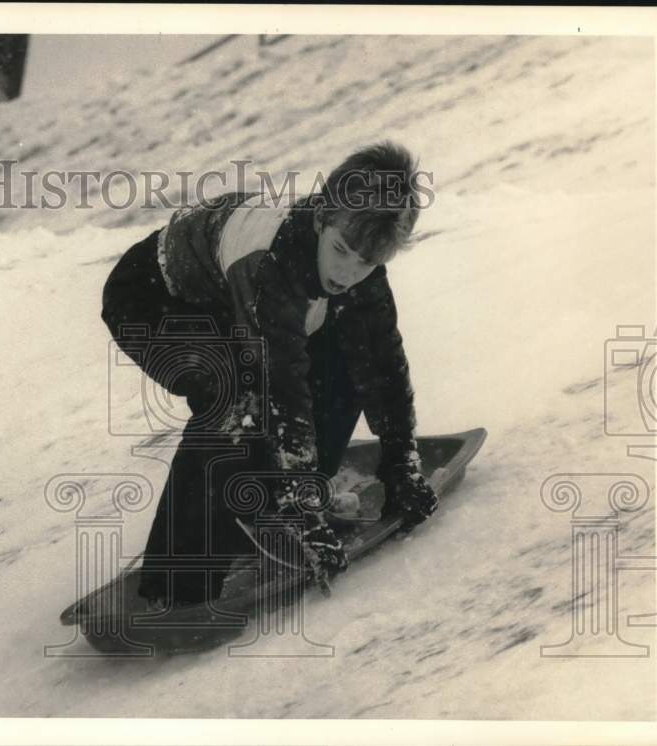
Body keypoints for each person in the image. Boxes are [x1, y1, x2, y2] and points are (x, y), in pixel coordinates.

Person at [100, 141, 437, 609]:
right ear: (321, 218)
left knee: (348, 356)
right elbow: (281, 387)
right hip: (152, 299)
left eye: (367, 263)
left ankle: (279, 500)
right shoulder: (269, 263)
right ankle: (177, 581)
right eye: (340, 251)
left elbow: (382, 362)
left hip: (234, 305)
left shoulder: (360, 267)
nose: (348, 272)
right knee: (235, 397)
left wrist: (401, 460)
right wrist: (304, 513)